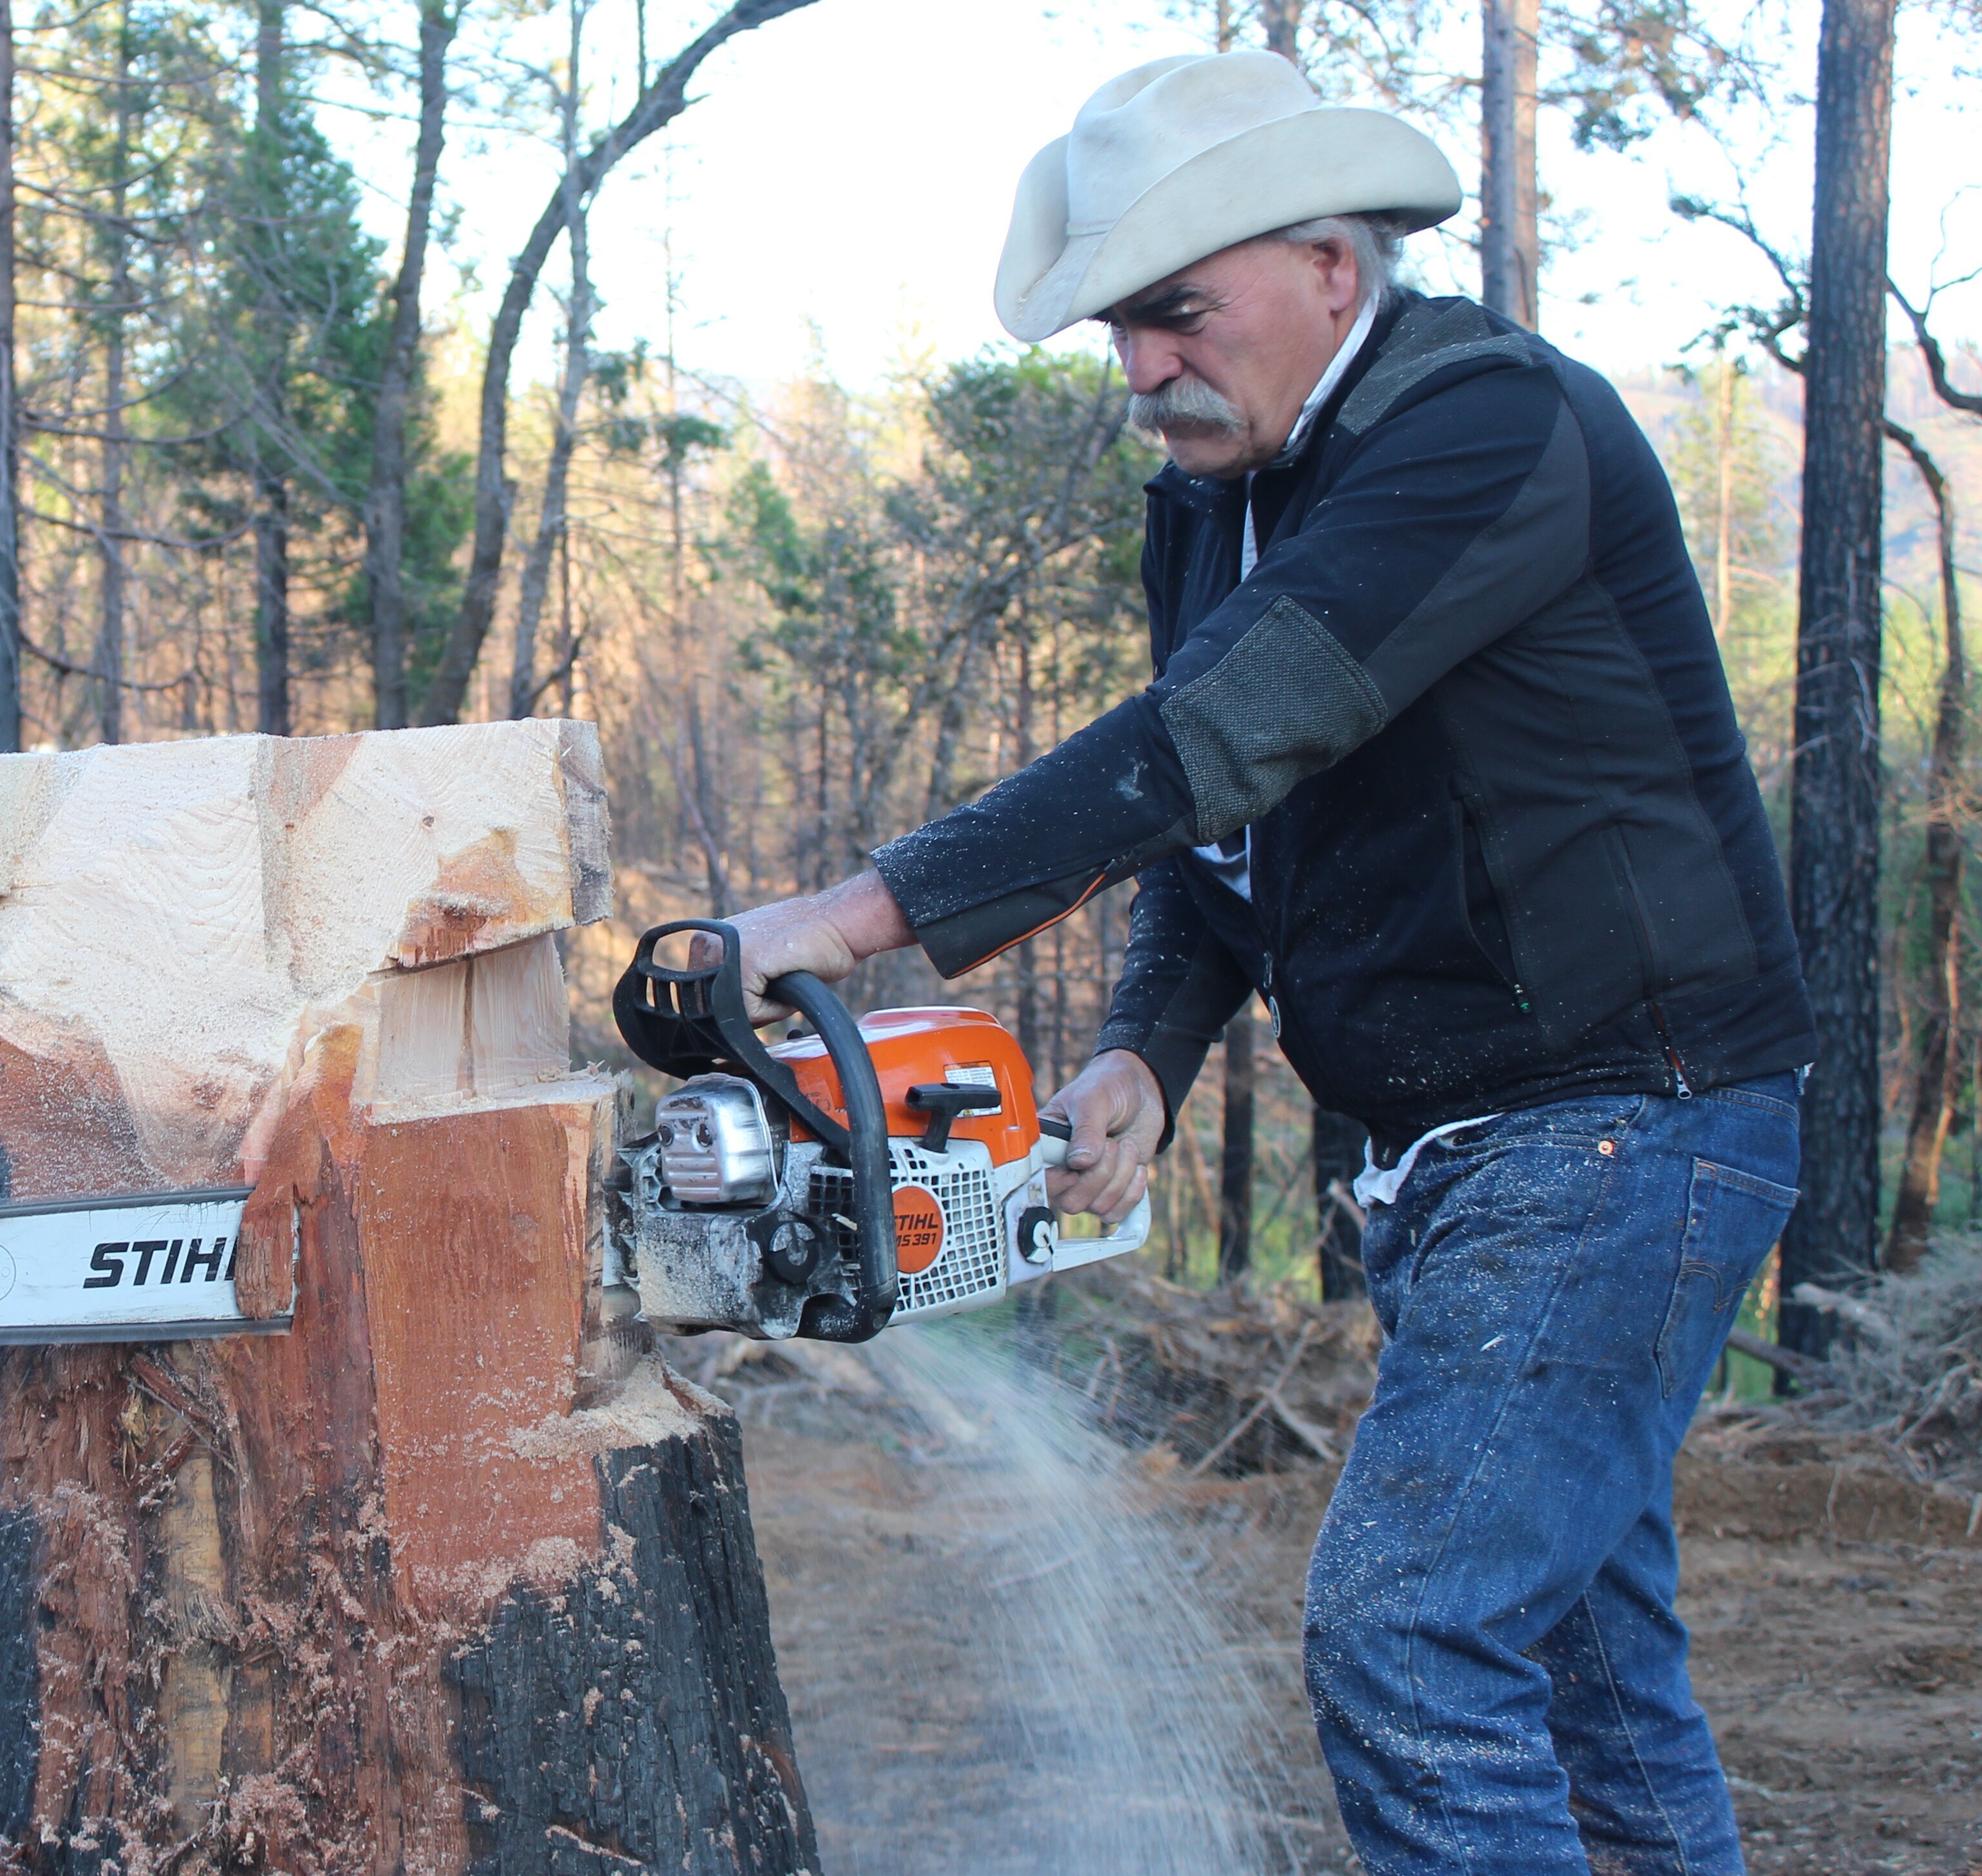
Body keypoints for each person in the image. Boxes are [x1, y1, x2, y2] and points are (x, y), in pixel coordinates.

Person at [719, 51, 1812, 1876]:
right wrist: (1149, 1046)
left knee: (1413, 1635)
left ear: (1326, 265)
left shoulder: (1489, 428)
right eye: (1120, 330)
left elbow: (1224, 729)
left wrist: (855, 915)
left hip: (1625, 1119)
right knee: (1588, 1667)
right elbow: (1232, 827)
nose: (1142, 366)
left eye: (1174, 313)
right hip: (1473, 1145)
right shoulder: (1221, 494)